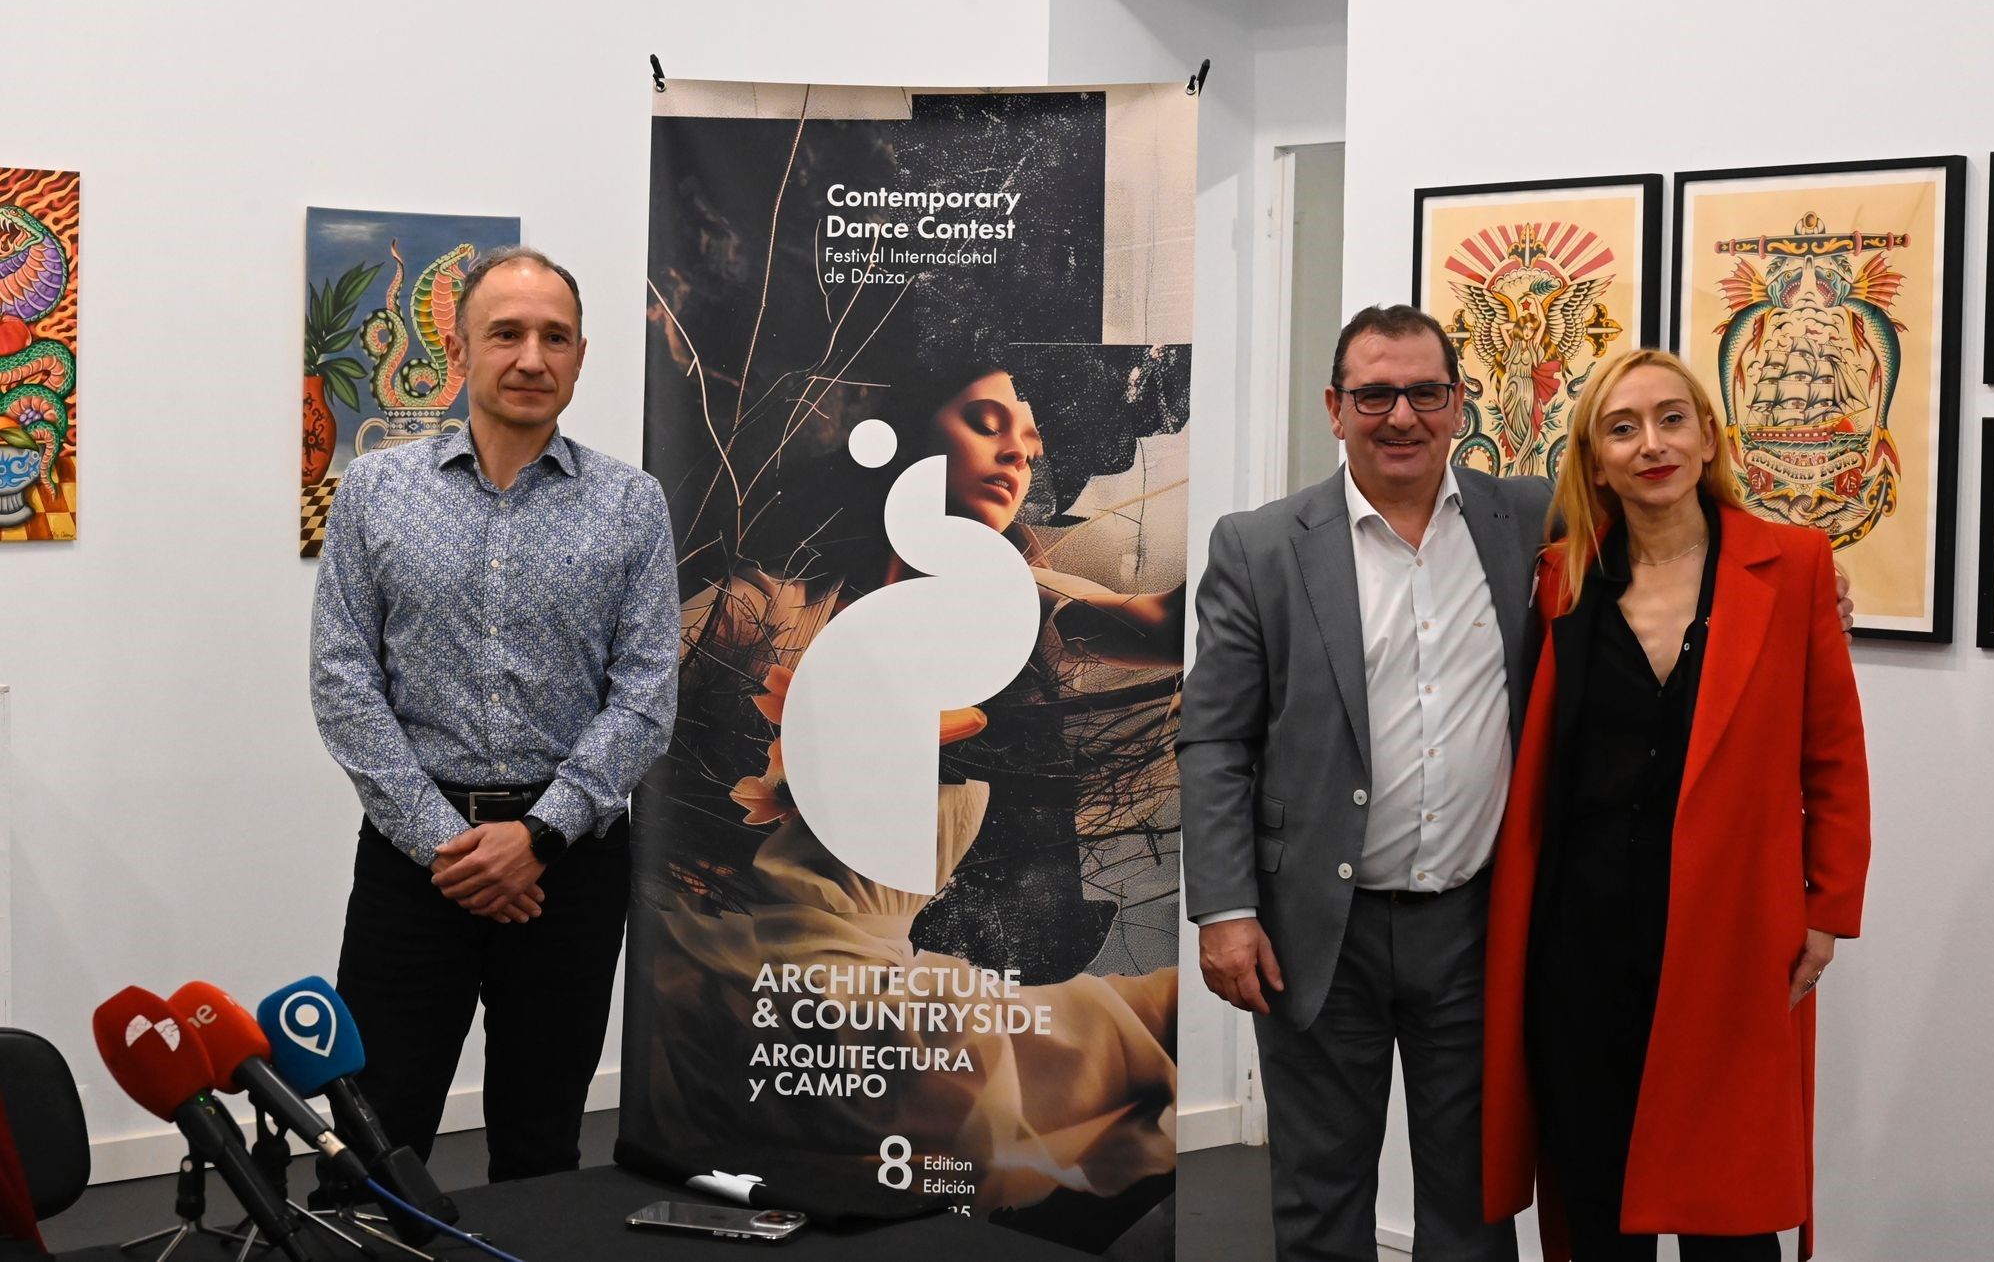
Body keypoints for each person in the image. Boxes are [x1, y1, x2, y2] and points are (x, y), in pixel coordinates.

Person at [634, 354, 1185, 1212]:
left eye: (1031, 445)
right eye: (987, 424)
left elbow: (1168, 626)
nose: (1017, 456)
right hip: (740, 966)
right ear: (916, 431)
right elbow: (625, 707)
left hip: (873, 979)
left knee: (1127, 1039)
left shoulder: (1019, 605)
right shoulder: (771, 606)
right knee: (1107, 1048)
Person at [1478, 349, 1870, 1261]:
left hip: (1728, 934)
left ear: (1707, 437)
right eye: (1622, 427)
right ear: (1594, 456)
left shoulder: (1794, 566)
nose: (1650, 443)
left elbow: (1834, 761)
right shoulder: (1561, 579)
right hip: (1578, 936)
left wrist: (1826, 913)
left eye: (1670, 419)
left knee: (1727, 1209)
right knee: (1596, 1192)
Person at [1180, 304, 1548, 1261]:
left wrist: (1809, 576)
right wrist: (1224, 908)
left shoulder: (1531, 523)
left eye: (1425, 393)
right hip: (1310, 934)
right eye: (1376, 395)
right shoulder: (1260, 546)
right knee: (1319, 1200)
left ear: (1458, 403)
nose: (1401, 416)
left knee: (1475, 1205)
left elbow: (1675, 525)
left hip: (1474, 928)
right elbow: (1214, 741)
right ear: (1335, 408)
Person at [311, 245, 682, 1180]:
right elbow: (344, 682)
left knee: (543, 1137)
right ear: (459, 346)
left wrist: (539, 837)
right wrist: (450, 844)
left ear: (582, 355)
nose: (531, 357)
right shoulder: (374, 492)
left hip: (571, 873)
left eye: (554, 337)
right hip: (412, 866)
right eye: (506, 333)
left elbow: (645, 698)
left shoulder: (631, 505)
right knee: (371, 1135)